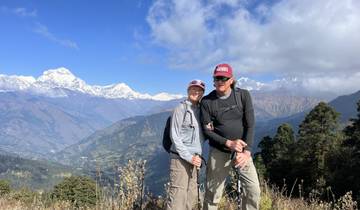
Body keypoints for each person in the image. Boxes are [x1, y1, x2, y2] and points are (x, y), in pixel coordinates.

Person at [200, 63, 260, 210]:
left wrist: (247, 152)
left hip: (242, 151)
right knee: (213, 193)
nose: (220, 81)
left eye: (224, 78)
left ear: (231, 80)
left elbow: (250, 124)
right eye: (217, 78)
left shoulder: (243, 95)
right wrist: (228, 143)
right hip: (219, 151)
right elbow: (207, 131)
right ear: (213, 80)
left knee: (253, 190)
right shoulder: (207, 102)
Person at [166, 79, 206, 210]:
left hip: (195, 160)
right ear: (188, 91)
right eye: (193, 89)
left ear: (203, 93)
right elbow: (174, 136)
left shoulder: (202, 111)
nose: (196, 91)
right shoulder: (180, 109)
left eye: (199, 90)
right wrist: (189, 157)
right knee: (178, 198)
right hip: (180, 159)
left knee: (191, 198)